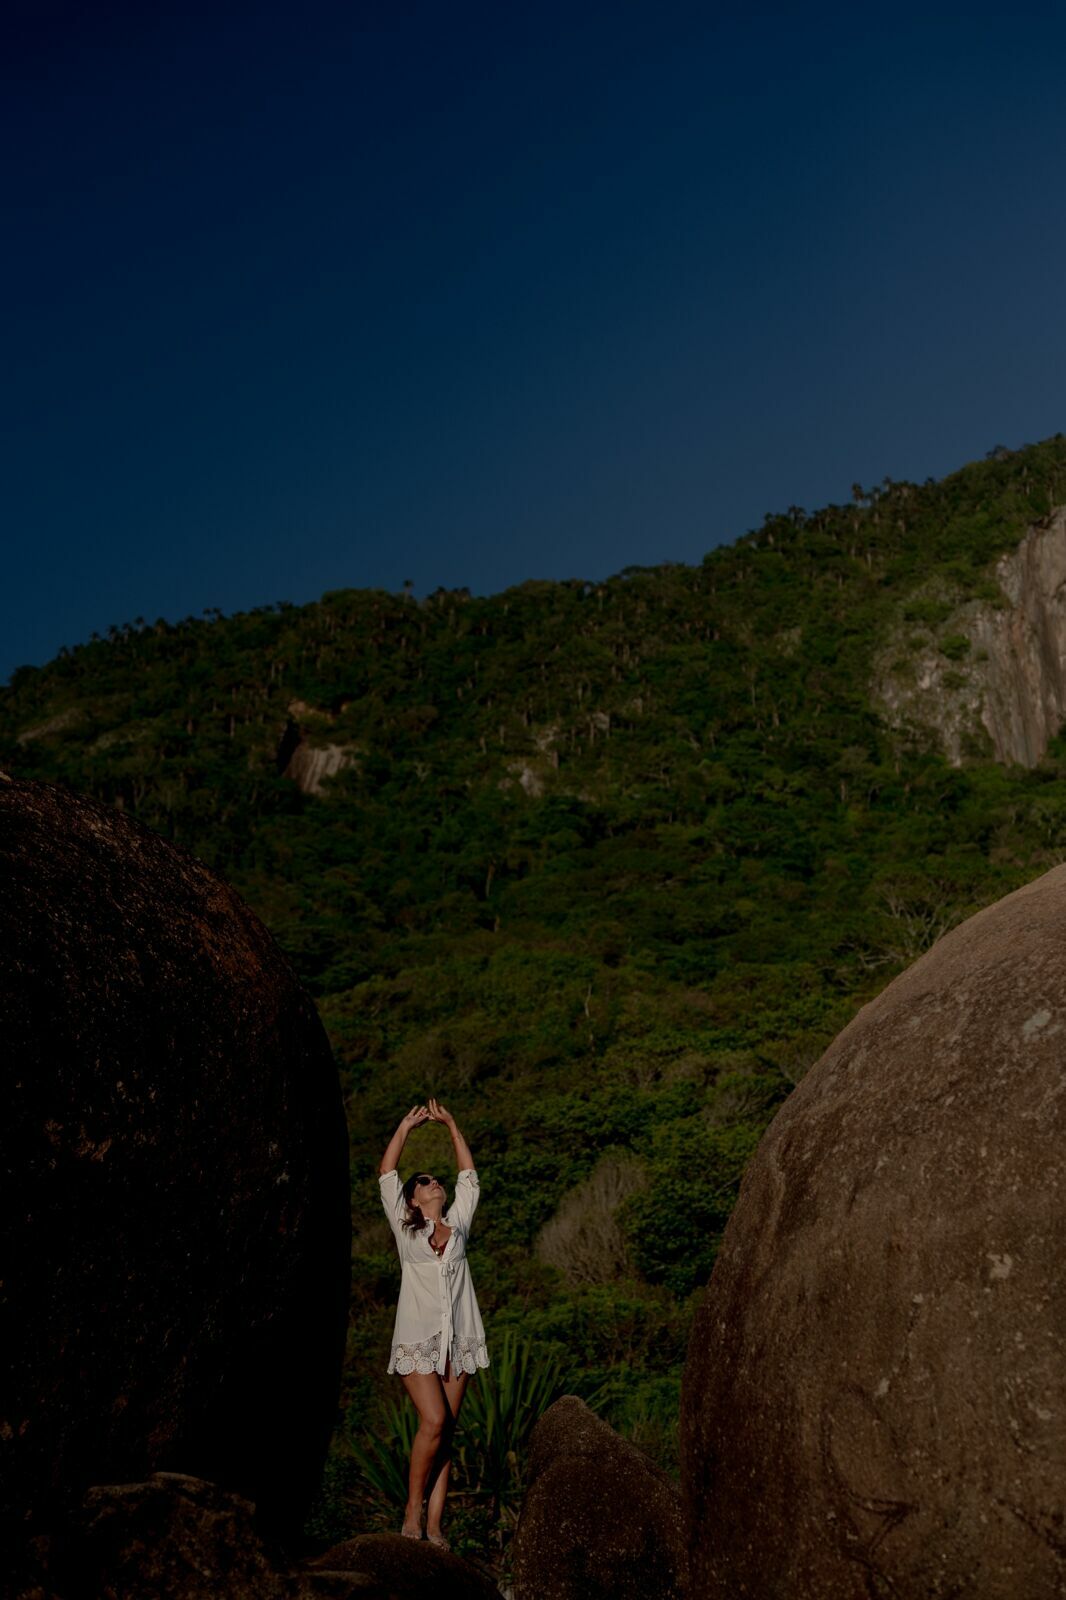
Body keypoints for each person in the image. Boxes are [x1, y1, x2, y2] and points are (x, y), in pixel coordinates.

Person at [378, 1097, 489, 1547]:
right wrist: (405, 1128)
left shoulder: (458, 1224)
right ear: (413, 1198)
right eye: (424, 1182)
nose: (433, 1182)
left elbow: (469, 1178)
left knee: (446, 1433)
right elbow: (387, 1174)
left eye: (433, 1179)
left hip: (460, 1338)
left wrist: (452, 1126)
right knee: (434, 1419)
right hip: (418, 1340)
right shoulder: (407, 1233)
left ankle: (436, 1525)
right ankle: (411, 1509)